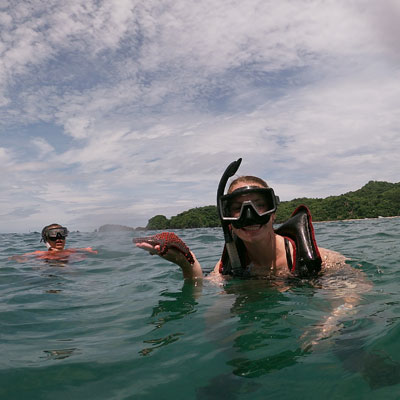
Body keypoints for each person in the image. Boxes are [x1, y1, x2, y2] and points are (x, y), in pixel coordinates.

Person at [135, 158, 345, 283]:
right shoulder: (229, 266)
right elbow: (208, 307)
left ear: (273, 212)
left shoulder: (320, 261)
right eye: (237, 209)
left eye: (258, 205)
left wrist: (329, 322)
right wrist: (186, 263)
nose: (249, 215)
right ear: (228, 220)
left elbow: (355, 293)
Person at [10, 223, 97, 263]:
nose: (59, 238)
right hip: (48, 272)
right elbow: (13, 258)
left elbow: (93, 252)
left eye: (62, 234)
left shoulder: (73, 251)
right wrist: (19, 258)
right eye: (53, 234)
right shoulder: (40, 254)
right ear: (46, 239)